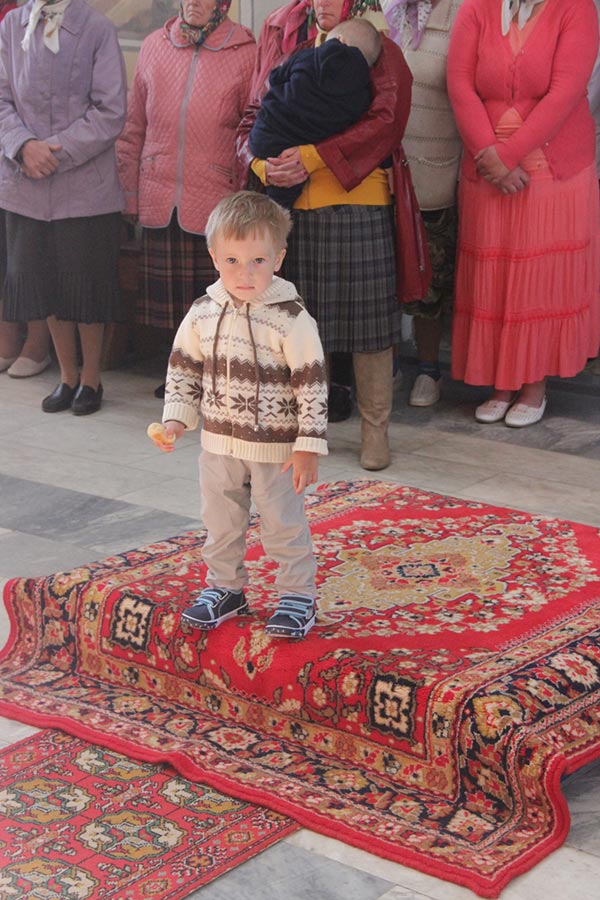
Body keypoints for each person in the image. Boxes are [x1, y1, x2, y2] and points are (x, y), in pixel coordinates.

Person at [237, 0, 430, 470]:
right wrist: (263, 165)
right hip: (291, 211)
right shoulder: (298, 51)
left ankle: (375, 431)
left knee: (370, 327)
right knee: (293, 328)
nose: (322, 3)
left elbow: (386, 123)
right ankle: (301, 429)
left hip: (357, 205)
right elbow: (255, 114)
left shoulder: (383, 53)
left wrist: (311, 157)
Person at [149, 191, 328, 639]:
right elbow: (183, 367)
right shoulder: (202, 313)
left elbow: (312, 384)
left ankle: (297, 595)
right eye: (232, 260)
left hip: (276, 450)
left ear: (278, 258)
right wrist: (176, 418)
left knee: (282, 521)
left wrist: (307, 446)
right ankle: (225, 587)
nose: (244, 273)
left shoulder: (291, 319)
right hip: (218, 445)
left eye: (257, 261)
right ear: (214, 257)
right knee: (220, 520)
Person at [447, 0, 600, 427]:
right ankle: (500, 383)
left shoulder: (576, 8)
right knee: (493, 281)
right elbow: (459, 84)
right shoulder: (476, 8)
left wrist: (508, 154)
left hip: (552, 169)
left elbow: (566, 92)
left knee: (539, 283)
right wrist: (488, 153)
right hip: (486, 166)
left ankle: (533, 384)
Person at [117, 0, 257, 396]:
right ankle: (180, 374)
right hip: (159, 190)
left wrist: (245, 200)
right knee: (172, 301)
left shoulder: (245, 51)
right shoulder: (154, 45)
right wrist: (130, 195)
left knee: (216, 300)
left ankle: (216, 379)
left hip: (216, 195)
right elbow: (133, 127)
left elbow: (251, 129)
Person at [0, 0, 127, 415]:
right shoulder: (11, 25)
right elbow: (2, 101)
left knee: (84, 285)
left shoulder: (97, 28)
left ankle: (91, 378)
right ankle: (66, 375)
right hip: (27, 184)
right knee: (47, 282)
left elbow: (110, 111)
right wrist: (23, 146)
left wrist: (54, 151)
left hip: (85, 187)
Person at [383, 0, 463, 408]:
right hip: (386, 171)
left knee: (430, 276)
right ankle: (390, 365)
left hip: (436, 169)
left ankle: (430, 369)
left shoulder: (460, 14)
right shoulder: (387, 11)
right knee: (385, 275)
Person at [249, 18, 381, 209]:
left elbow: (276, 77)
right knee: (290, 184)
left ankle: (278, 210)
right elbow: (361, 123)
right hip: (313, 145)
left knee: (279, 179)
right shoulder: (364, 89)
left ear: (339, 39)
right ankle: (281, 207)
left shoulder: (308, 56)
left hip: (271, 129)